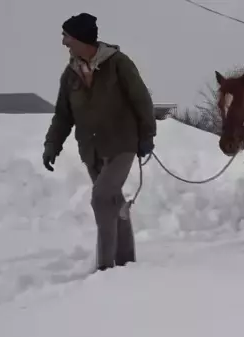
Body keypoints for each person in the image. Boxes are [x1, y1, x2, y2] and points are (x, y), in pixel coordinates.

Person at [42, 13, 157, 271]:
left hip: (122, 143)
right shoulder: (70, 75)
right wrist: (52, 145)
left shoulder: (118, 64)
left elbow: (141, 100)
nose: (63, 42)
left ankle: (105, 268)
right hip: (91, 149)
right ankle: (126, 262)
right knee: (112, 200)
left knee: (101, 198)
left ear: (82, 38)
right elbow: (63, 115)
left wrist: (147, 135)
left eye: (67, 36)